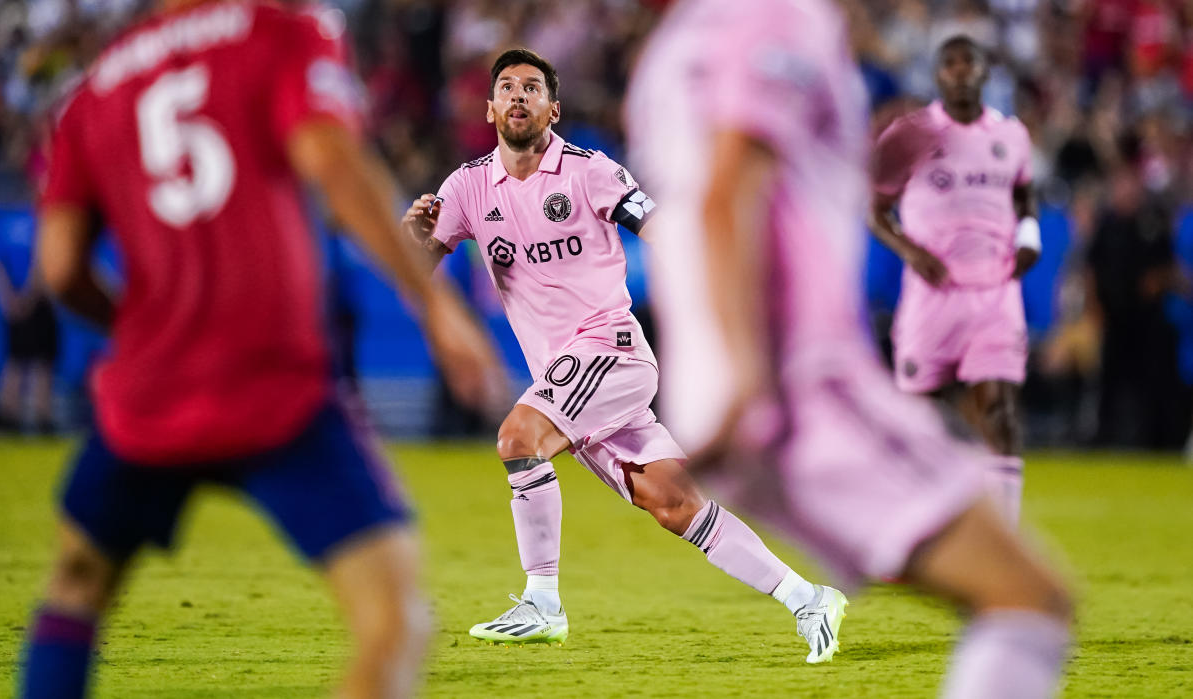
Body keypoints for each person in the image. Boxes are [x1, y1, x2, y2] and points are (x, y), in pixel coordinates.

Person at [18, 2, 501, 698]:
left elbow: (59, 266)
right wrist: (435, 305)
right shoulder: (284, 29)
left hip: (148, 389)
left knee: (76, 581)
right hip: (272, 382)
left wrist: (140, 326)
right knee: (391, 619)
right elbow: (331, 160)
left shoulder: (92, 92)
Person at [626, 1, 1072, 697]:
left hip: (737, 377)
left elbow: (732, 192)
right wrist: (745, 368)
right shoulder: (781, 17)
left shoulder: (678, 44)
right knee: (1030, 600)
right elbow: (729, 191)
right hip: (799, 380)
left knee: (1014, 594)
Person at [401, 48, 847, 661]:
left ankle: (542, 602)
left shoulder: (591, 172)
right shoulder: (468, 187)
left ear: (553, 109)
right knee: (673, 502)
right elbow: (418, 271)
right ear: (490, 107)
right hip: (566, 379)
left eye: (532, 87)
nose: (519, 96)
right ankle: (810, 598)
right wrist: (417, 241)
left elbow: (662, 229)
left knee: (518, 438)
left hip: (610, 351)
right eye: (507, 86)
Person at [868, 35, 1040, 525]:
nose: (961, 70)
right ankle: (901, 529)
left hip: (996, 291)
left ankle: (1005, 539)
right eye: (951, 63)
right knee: (918, 419)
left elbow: (1025, 194)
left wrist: (1030, 237)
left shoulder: (1012, 136)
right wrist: (911, 251)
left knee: (1000, 410)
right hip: (933, 295)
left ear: (986, 72)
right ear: (939, 74)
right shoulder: (910, 135)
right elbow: (875, 209)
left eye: (970, 61)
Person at [0, 225, 59, 433]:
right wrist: (26, 299)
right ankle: (41, 417)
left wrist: (9, 300)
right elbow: (41, 264)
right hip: (38, 303)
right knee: (41, 362)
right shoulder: (41, 221)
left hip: (14, 303)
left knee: (16, 360)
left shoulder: (7, 227)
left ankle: (9, 416)